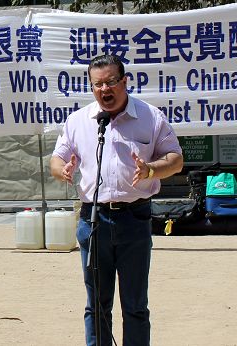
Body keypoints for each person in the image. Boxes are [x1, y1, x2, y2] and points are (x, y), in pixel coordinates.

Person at [50, 55, 183, 346]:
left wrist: (151, 169)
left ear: (124, 82)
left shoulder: (151, 117)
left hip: (134, 218)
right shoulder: (79, 121)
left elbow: (175, 160)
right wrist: (64, 169)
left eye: (111, 82)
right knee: (96, 304)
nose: (104, 90)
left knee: (135, 304)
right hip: (92, 219)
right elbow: (57, 159)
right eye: (97, 84)